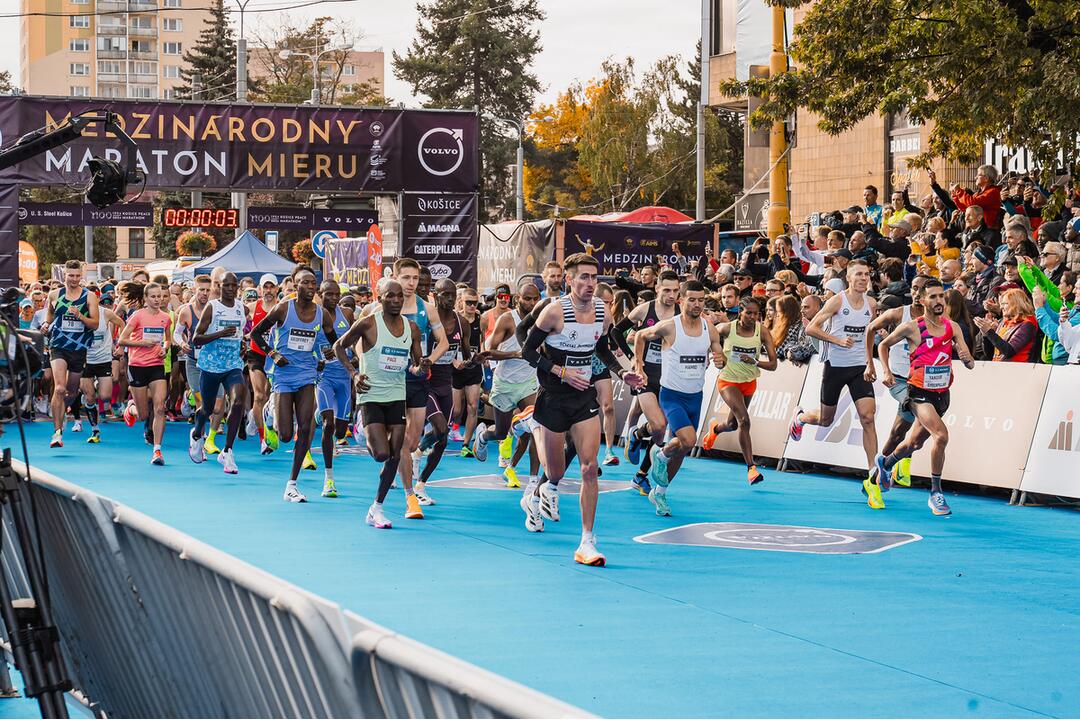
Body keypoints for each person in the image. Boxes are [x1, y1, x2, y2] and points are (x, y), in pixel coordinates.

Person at [520, 253, 642, 566]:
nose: (590, 283)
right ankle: (533, 436)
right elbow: (528, 350)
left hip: (583, 396)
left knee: (589, 468)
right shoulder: (554, 312)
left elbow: (601, 347)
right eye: (583, 277)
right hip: (554, 395)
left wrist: (621, 371)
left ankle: (587, 542)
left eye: (594, 277)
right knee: (555, 472)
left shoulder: (603, 311)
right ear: (569, 279)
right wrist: (560, 372)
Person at [875, 279, 976, 515]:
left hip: (941, 394)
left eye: (941, 296)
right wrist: (887, 371)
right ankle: (936, 493)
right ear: (922, 301)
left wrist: (966, 357)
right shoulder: (912, 327)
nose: (938, 301)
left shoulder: (953, 327)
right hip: (918, 393)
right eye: (933, 297)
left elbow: (968, 360)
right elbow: (884, 346)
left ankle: (886, 463)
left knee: (914, 443)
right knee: (941, 436)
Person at [333, 280, 425, 529]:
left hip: (396, 395)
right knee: (381, 454)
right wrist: (354, 374)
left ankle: (377, 507)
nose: (396, 300)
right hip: (371, 395)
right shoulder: (368, 323)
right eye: (390, 296)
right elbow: (338, 346)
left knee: (395, 455)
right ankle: (362, 428)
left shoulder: (412, 328)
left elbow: (416, 365)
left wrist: (420, 367)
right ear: (380, 298)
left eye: (399, 297)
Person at [789, 260, 881, 497]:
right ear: (849, 278)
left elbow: (869, 334)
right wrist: (837, 340)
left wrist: (871, 362)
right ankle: (801, 418)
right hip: (835, 367)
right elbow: (812, 328)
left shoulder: (871, 303)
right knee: (826, 420)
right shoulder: (838, 300)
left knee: (868, 418)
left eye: (867, 274)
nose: (863, 278)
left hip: (859, 367)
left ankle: (873, 475)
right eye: (858, 274)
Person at [633, 280, 726, 514]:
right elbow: (640, 336)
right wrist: (638, 364)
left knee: (682, 450)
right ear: (681, 300)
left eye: (701, 300)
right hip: (672, 395)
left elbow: (718, 353)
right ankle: (659, 453)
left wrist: (720, 360)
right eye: (691, 299)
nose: (696, 304)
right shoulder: (669, 326)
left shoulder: (709, 328)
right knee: (688, 440)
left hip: (695, 396)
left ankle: (660, 493)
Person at [250, 266, 339, 503]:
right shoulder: (283, 309)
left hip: (307, 374)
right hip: (282, 374)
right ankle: (270, 411)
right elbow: (256, 335)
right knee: (286, 436)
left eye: (313, 283)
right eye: (305, 283)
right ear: (294, 285)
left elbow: (335, 343)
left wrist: (327, 355)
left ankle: (292, 484)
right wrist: (272, 354)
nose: (310, 287)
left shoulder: (322, 314)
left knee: (307, 427)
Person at [369, 258, 448, 517]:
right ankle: (409, 497)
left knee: (412, 443)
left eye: (415, 278)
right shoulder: (376, 309)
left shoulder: (427, 309)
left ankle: (396, 462)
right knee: (401, 444)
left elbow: (443, 343)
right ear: (395, 276)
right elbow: (359, 342)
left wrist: (427, 361)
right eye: (406, 278)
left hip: (417, 380)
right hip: (389, 381)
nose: (411, 283)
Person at [699, 297, 778, 484]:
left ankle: (716, 429)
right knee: (744, 420)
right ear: (740, 312)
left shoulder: (762, 332)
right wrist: (711, 356)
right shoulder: (727, 329)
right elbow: (708, 340)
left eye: (756, 313)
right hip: (728, 381)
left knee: (733, 424)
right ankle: (751, 468)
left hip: (749, 381)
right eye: (748, 313)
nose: (753, 317)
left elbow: (774, 365)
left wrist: (755, 362)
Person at [864, 274, 930, 489]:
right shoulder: (898, 313)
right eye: (914, 288)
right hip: (900, 380)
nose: (918, 293)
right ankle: (897, 465)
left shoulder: (939, 319)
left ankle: (882, 469)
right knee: (919, 409)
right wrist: (873, 365)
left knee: (898, 434)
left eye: (923, 289)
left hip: (925, 381)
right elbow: (871, 329)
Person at [473, 280, 541, 486]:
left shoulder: (542, 319)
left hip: (529, 382)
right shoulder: (507, 320)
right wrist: (517, 354)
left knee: (534, 427)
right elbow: (488, 351)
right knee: (501, 432)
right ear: (517, 299)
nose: (531, 302)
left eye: (535, 299)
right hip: (505, 382)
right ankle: (483, 437)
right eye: (527, 298)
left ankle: (531, 478)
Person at [414, 279, 477, 502]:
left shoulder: (462, 324)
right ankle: (417, 451)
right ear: (435, 295)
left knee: (443, 439)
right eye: (445, 295)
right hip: (426, 382)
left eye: (452, 295)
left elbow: (466, 355)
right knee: (440, 426)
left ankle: (420, 485)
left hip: (446, 382)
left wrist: (472, 360)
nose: (449, 299)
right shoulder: (427, 320)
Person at [619, 271, 680, 495]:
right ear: (657, 289)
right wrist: (634, 360)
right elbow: (616, 332)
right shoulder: (645, 310)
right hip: (644, 375)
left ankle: (641, 474)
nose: (671, 295)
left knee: (660, 433)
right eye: (667, 290)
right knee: (660, 426)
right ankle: (635, 435)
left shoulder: (681, 314)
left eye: (675, 291)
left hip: (669, 377)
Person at [188, 272, 249, 475]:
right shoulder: (212, 307)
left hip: (233, 365)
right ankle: (197, 434)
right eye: (226, 286)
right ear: (219, 287)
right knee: (208, 409)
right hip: (211, 365)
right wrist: (220, 334)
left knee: (238, 401)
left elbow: (239, 335)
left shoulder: (242, 308)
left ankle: (228, 451)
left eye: (234, 285)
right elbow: (196, 339)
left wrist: (242, 346)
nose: (231, 289)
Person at [41, 260, 100, 448]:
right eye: (70, 275)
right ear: (64, 275)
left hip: (79, 348)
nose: (74, 279)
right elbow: (49, 315)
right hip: (58, 345)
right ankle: (57, 433)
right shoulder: (54, 294)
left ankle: (61, 410)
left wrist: (80, 316)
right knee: (59, 388)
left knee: (72, 391)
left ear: (81, 276)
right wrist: (45, 324)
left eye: (77, 276)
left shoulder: (89, 296)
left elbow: (95, 324)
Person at [309, 280, 356, 497]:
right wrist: (318, 357)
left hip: (344, 376)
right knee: (328, 426)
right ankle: (329, 480)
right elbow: (305, 346)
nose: (333, 298)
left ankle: (321, 414)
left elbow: (354, 343)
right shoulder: (313, 314)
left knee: (340, 431)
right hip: (324, 376)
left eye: (336, 294)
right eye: (328, 294)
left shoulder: (346, 314)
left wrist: (354, 359)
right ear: (320, 294)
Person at [117, 282, 171, 465]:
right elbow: (121, 340)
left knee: (160, 407)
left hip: (157, 365)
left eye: (160, 296)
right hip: (137, 366)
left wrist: (164, 348)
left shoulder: (166, 317)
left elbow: (168, 340)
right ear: (146, 299)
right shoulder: (137, 316)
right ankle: (130, 409)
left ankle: (157, 450)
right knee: (143, 415)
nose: (158, 300)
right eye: (154, 297)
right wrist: (142, 343)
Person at [79, 299, 124, 444]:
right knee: (90, 398)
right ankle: (95, 429)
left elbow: (122, 324)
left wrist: (120, 345)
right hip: (85, 361)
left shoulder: (106, 313)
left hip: (104, 359)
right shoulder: (78, 315)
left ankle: (96, 385)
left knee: (105, 396)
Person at [246, 274, 280, 454]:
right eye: (264, 287)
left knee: (268, 396)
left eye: (271, 287)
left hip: (274, 356)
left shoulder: (283, 308)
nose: (268, 291)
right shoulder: (252, 307)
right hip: (256, 355)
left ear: (277, 288)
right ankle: (263, 439)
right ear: (260, 289)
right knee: (259, 396)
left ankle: (254, 416)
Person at [451, 287, 483, 456]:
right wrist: (453, 361)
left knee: (473, 406)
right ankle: (452, 427)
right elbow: (444, 344)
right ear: (461, 302)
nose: (471, 306)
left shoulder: (480, 319)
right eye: (468, 302)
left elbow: (485, 340)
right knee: (456, 410)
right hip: (456, 368)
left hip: (473, 369)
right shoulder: (454, 319)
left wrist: (484, 357)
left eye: (474, 302)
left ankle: (466, 445)